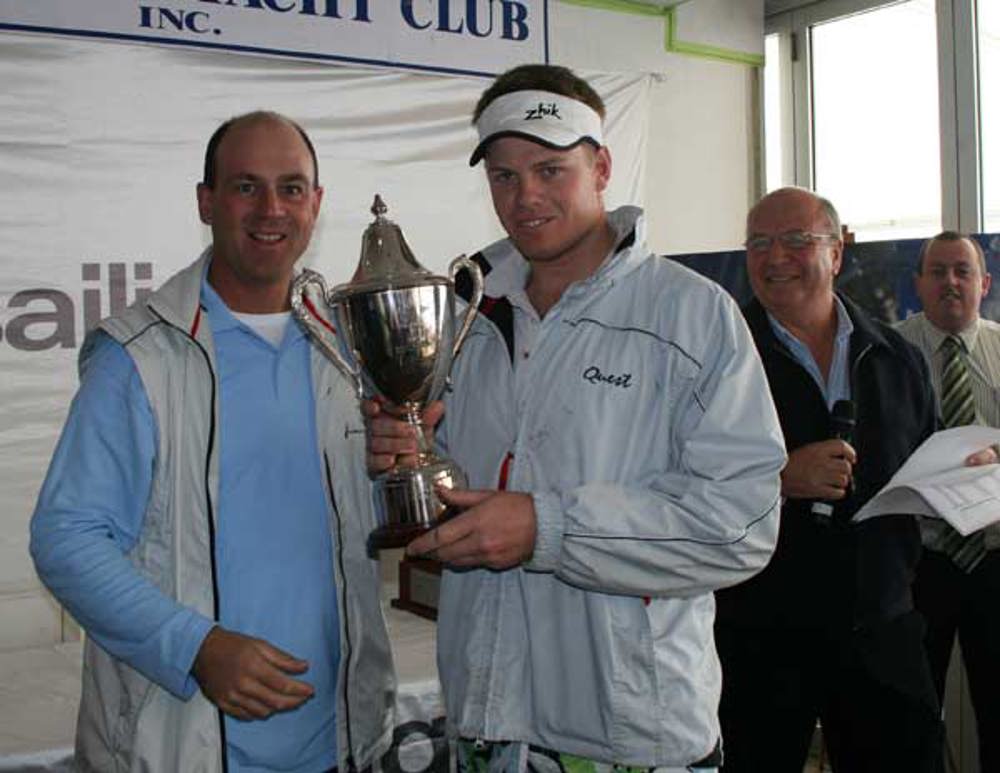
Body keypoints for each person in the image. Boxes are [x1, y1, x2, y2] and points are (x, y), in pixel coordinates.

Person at [366, 64, 786, 772]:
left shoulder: (690, 313)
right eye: (503, 175)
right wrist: (407, 456)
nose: (524, 196)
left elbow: (741, 524)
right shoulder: (465, 313)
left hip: (631, 737)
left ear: (602, 167)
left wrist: (548, 527)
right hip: (484, 722)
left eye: (550, 169)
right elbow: (450, 490)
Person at [29, 111, 395, 772]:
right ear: (206, 201)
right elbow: (66, 536)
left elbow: (354, 527)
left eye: (291, 188)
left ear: (316, 204)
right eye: (245, 186)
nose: (270, 209)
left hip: (336, 741)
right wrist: (196, 646)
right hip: (179, 745)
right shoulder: (139, 358)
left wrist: (397, 475)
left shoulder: (350, 349)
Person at [715, 186, 953, 772]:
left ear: (837, 252)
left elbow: (922, 457)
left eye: (796, 240)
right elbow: (668, 478)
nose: (776, 258)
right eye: (760, 243)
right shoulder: (715, 356)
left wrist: (963, 475)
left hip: (882, 628)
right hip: (756, 634)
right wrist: (775, 478)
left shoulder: (895, 356)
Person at [897, 231, 1000, 771]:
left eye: (962, 271)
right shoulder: (886, 352)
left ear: (985, 284)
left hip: (995, 558)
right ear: (918, 284)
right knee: (910, 714)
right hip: (919, 561)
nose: (950, 282)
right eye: (937, 271)